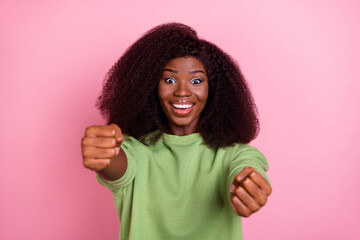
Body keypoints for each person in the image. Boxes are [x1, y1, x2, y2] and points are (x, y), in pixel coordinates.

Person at [81, 23, 272, 240]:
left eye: (196, 81)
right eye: (170, 80)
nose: (182, 91)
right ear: (151, 85)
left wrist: (248, 183)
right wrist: (104, 155)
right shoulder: (134, 151)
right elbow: (116, 164)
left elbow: (247, 164)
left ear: (214, 89)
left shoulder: (231, 153)